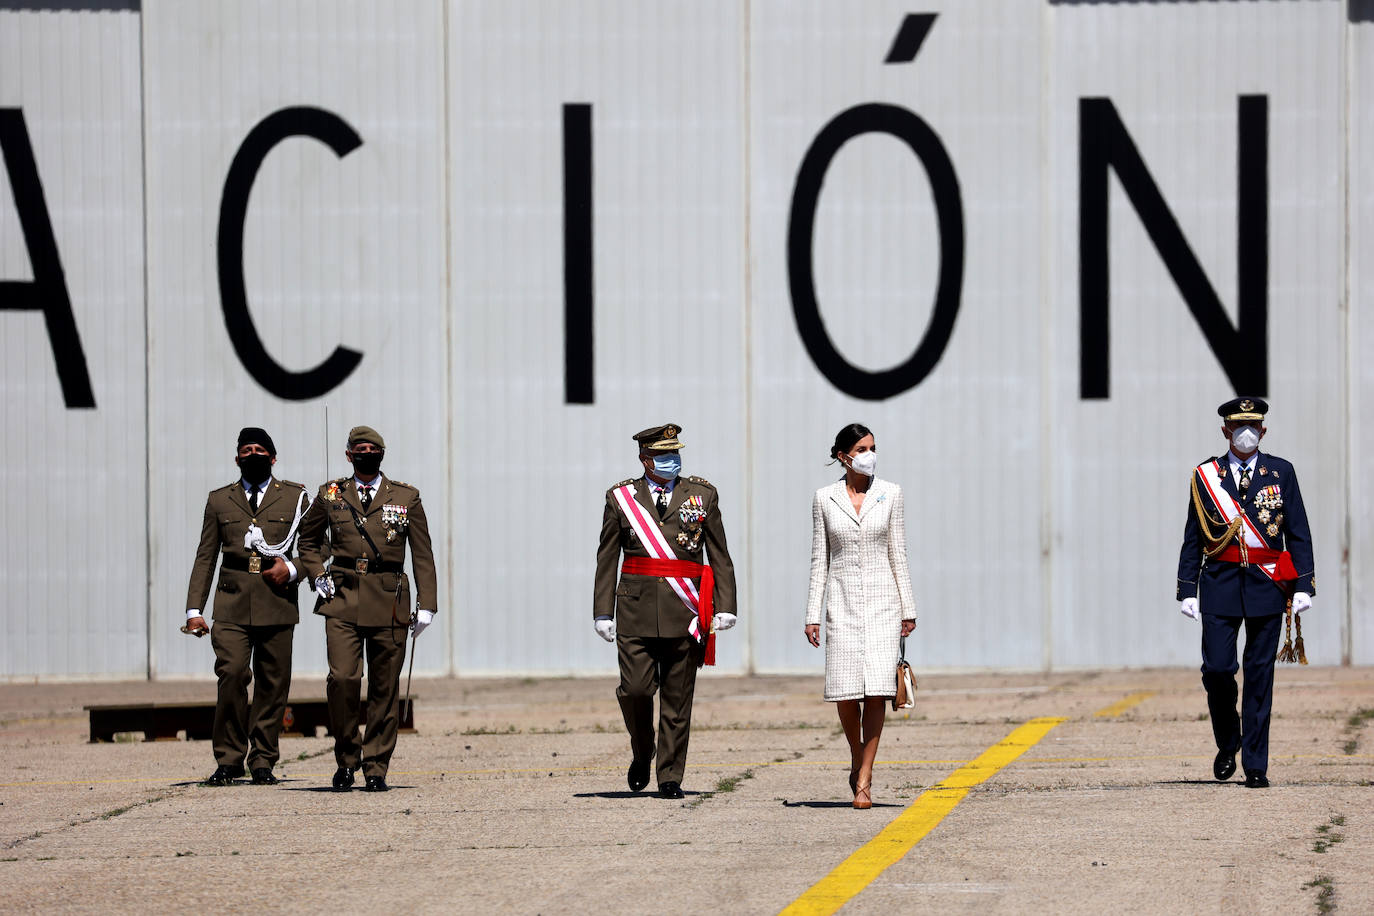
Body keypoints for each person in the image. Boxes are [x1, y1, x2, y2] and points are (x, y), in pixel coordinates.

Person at [593, 423, 738, 799]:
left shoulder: (702, 495)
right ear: (645, 459)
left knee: (677, 700)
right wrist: (602, 612)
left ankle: (670, 776)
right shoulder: (621, 497)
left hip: (686, 610)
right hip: (635, 611)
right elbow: (607, 557)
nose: (671, 460)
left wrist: (725, 606)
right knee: (637, 690)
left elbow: (720, 554)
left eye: (674, 453)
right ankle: (643, 751)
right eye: (662, 455)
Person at [1177, 397, 1315, 789]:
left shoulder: (1281, 472)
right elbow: (1193, 536)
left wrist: (1304, 583)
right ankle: (1228, 741)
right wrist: (1187, 588)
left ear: (1264, 431)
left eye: (1253, 426)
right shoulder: (1207, 476)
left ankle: (1256, 764)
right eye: (1238, 428)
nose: (1246, 433)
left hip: (1267, 584)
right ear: (1226, 432)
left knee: (1259, 675)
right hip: (1219, 584)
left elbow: (1298, 530)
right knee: (1218, 669)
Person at [296, 425, 437, 792]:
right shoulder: (331, 494)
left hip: (388, 598)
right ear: (348, 455)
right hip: (341, 596)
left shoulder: (406, 497)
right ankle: (346, 759)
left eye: (373, 448)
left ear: (382, 454)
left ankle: (376, 764)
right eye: (360, 448)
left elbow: (422, 554)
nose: (367, 453)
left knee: (384, 687)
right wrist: (315, 573)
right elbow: (308, 540)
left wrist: (428, 605)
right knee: (342, 679)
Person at [183, 427, 310, 786]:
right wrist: (195, 609)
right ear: (236, 458)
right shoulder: (220, 499)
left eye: (259, 450)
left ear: (273, 457)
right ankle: (228, 758)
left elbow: (319, 547)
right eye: (245, 450)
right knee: (233, 674)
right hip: (232, 603)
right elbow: (206, 557)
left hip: (277, 600)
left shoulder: (296, 498)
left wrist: (294, 568)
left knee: (273, 684)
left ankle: (263, 760)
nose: (251, 455)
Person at [804, 423, 916, 809]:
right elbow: (821, 558)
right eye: (862, 448)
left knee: (876, 692)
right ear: (843, 456)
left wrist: (908, 608)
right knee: (845, 690)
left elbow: (897, 552)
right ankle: (856, 752)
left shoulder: (891, 493)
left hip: (884, 603)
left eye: (873, 447)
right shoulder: (824, 498)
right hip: (842, 601)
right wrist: (811, 614)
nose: (870, 454)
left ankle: (865, 775)